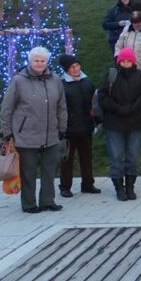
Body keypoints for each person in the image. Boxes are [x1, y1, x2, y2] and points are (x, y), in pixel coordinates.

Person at [0, 46, 68, 213]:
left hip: (51, 134)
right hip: (26, 135)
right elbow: (7, 108)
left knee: (49, 170)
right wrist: (7, 132)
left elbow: (61, 106)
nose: (39, 64)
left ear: (47, 62)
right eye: (36, 60)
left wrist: (62, 127)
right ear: (30, 61)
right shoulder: (18, 81)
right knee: (28, 172)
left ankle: (47, 201)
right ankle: (29, 204)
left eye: (43, 61)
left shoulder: (55, 80)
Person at [99, 47, 141, 201]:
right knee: (116, 156)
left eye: (128, 61)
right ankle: (119, 188)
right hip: (114, 122)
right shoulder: (112, 75)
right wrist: (118, 108)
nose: (126, 63)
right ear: (119, 61)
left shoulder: (140, 76)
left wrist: (131, 108)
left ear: (133, 62)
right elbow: (103, 96)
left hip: (134, 122)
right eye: (123, 61)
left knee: (133, 156)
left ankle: (130, 186)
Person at [58, 54, 100, 198]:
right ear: (66, 70)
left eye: (77, 65)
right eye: (72, 67)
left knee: (86, 157)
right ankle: (65, 186)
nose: (76, 69)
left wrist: (95, 119)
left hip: (86, 126)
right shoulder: (61, 84)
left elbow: (94, 103)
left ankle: (88, 184)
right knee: (67, 159)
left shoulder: (87, 82)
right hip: (68, 129)